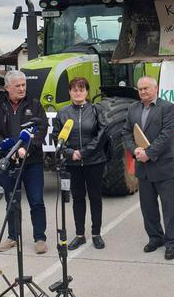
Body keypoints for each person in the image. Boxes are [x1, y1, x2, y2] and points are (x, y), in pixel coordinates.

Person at [0, 70, 49, 254]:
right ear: (7, 88)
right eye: (17, 86)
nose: (22, 89)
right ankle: (13, 236)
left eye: (23, 85)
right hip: (8, 161)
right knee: (11, 200)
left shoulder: (34, 105)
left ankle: (40, 238)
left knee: (36, 201)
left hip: (32, 162)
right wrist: (9, 149)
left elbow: (41, 129)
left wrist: (26, 149)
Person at [122, 76, 174, 260]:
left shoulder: (168, 108)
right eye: (140, 89)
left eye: (146, 88)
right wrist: (135, 150)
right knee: (148, 208)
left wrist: (149, 153)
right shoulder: (133, 109)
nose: (142, 92)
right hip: (144, 169)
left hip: (164, 167)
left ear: (155, 88)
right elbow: (126, 132)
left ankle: (172, 243)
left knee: (170, 208)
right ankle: (155, 238)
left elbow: (167, 135)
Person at [52, 77, 108, 250]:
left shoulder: (96, 110)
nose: (78, 92)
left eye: (81, 89)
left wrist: (84, 152)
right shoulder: (62, 113)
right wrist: (70, 153)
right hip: (73, 164)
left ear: (87, 92)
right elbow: (57, 137)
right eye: (74, 89)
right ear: (69, 92)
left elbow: (102, 134)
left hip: (94, 161)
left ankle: (96, 233)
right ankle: (79, 234)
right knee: (77, 198)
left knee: (95, 197)